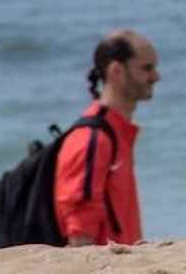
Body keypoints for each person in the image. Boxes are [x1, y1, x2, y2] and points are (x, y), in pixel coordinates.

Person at [55, 29, 159, 245]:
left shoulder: (116, 132)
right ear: (116, 71)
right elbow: (79, 235)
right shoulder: (92, 139)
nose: (156, 77)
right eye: (147, 68)